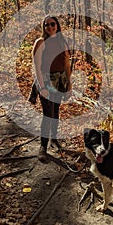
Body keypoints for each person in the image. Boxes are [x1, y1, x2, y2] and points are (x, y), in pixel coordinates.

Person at [32, 15, 72, 162]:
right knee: (47, 114)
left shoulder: (63, 42)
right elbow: (37, 66)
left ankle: (54, 140)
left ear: (57, 25)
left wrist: (69, 84)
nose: (50, 27)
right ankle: (42, 147)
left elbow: (67, 65)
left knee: (55, 111)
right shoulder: (40, 42)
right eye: (46, 25)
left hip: (60, 82)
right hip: (46, 81)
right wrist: (42, 86)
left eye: (52, 24)